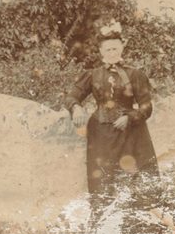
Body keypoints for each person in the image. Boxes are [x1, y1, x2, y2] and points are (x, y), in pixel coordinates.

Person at [66, 20, 159, 218]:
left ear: (122, 48)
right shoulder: (93, 75)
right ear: (101, 52)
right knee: (101, 179)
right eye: (107, 49)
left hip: (130, 133)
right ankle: (104, 226)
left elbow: (146, 106)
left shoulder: (135, 74)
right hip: (101, 134)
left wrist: (130, 118)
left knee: (136, 178)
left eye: (115, 48)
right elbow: (72, 95)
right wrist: (76, 108)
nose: (112, 53)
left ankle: (141, 224)